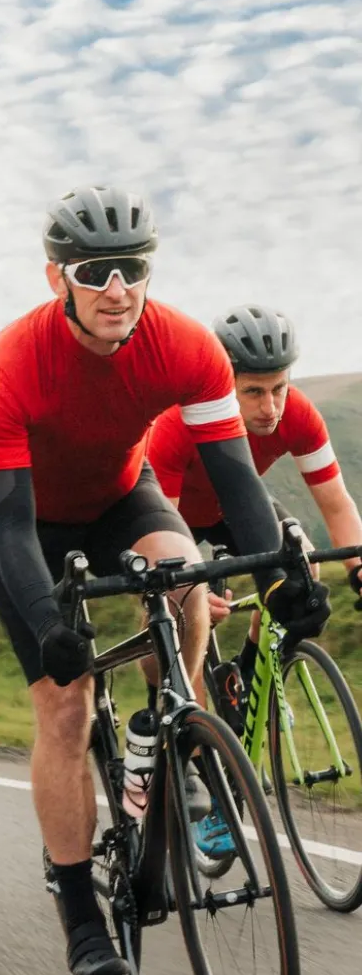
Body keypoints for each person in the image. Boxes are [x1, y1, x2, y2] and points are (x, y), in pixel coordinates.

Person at [0, 184, 329, 975]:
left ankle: (168, 724)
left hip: (121, 497)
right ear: (57, 276)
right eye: (95, 272)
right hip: (21, 520)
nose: (116, 289)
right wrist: (50, 623)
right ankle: (79, 912)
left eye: (132, 268)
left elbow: (237, 487)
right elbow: (16, 529)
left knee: (184, 579)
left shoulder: (187, 348)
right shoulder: (12, 364)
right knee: (63, 705)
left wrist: (278, 578)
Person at [147, 304, 362, 857]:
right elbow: (160, 529)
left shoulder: (297, 415)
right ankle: (203, 767)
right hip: (170, 515)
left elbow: (336, 502)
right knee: (182, 616)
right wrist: (191, 591)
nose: (271, 408)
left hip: (238, 505)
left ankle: (249, 670)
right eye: (254, 393)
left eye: (280, 389)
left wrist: (359, 568)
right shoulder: (176, 425)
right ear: (225, 385)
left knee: (303, 564)